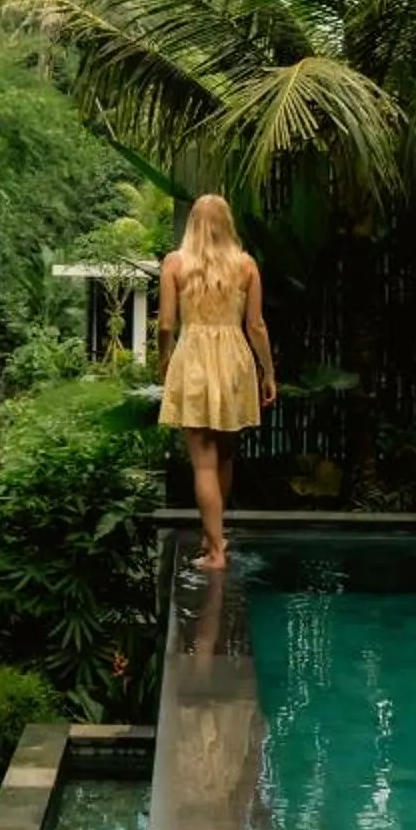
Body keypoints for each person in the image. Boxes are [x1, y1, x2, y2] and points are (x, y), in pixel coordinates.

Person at [157, 194, 276, 568]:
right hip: (234, 361)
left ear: (192, 223)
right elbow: (255, 325)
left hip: (194, 359)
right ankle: (215, 539)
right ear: (227, 224)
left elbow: (165, 325)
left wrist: (164, 362)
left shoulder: (175, 264)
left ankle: (216, 552)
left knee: (204, 464)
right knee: (224, 457)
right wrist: (268, 371)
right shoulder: (246, 265)